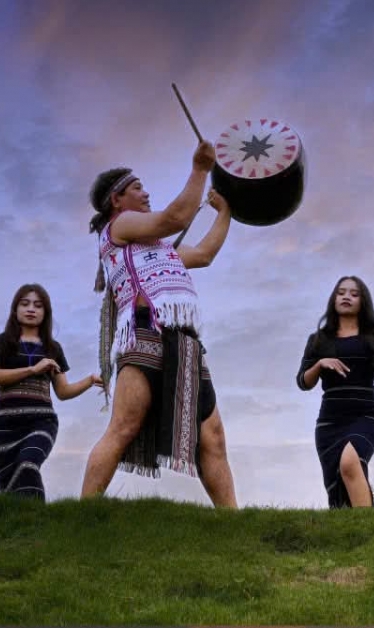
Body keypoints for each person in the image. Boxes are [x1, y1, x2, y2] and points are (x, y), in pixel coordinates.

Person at [80, 141, 237, 506]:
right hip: (144, 329)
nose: (146, 193)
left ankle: (236, 522)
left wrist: (225, 213)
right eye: (137, 187)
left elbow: (204, 254)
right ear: (116, 200)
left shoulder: (160, 248)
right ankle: (82, 512)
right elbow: (174, 219)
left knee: (212, 436)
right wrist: (199, 169)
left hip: (182, 338)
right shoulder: (119, 226)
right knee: (124, 426)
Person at [296, 275, 374, 508]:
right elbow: (303, 382)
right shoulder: (318, 340)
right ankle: (355, 525)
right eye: (341, 292)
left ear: (363, 301)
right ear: (333, 299)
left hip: (366, 416)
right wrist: (320, 364)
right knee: (339, 485)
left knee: (350, 462)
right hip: (329, 422)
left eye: (354, 293)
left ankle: (368, 524)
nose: (346, 297)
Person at [0, 283, 104, 500]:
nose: (31, 309)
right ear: (15, 309)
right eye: (25, 304)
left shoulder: (53, 348)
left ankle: (39, 516)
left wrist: (90, 380)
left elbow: (63, 392)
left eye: (38, 306)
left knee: (28, 465)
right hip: (5, 425)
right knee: (9, 486)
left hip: (42, 421)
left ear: (45, 312)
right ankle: (23, 520)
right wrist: (32, 369)